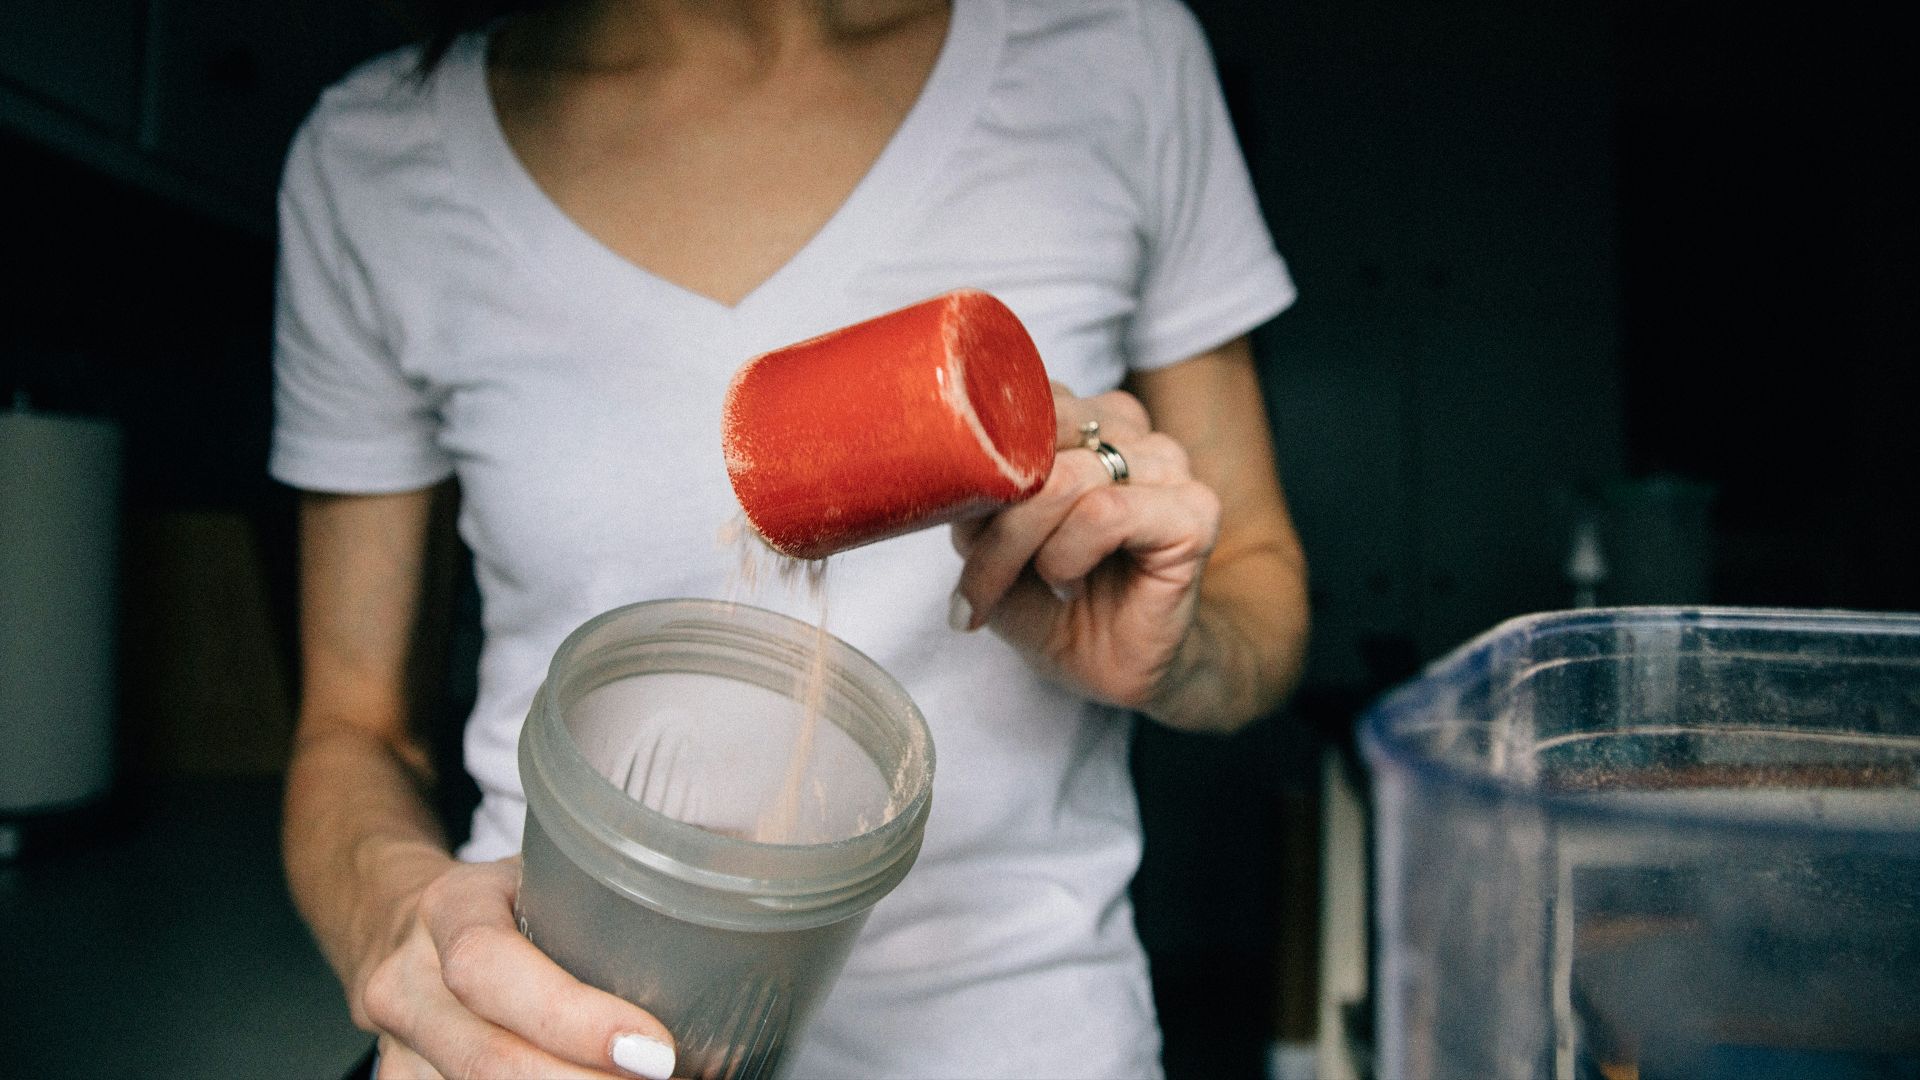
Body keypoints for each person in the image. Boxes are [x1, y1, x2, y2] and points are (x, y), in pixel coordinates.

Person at [271, 0, 1310, 1076]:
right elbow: (352, 730)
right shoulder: (375, 156)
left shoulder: (1114, 51)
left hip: (1019, 1037)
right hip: (558, 1030)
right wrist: (412, 934)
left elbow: (1261, 598)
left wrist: (1173, 649)